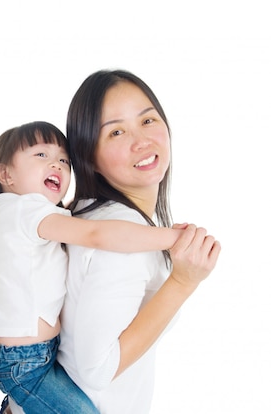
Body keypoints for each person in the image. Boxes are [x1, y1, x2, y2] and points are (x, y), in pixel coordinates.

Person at [0, 121, 189, 414]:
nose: (57, 164)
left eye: (64, 160)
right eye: (41, 155)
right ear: (6, 174)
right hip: (23, 364)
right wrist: (174, 238)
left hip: (33, 357)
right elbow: (97, 235)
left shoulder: (24, 214)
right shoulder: (25, 211)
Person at [55, 69, 221, 413]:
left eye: (147, 121)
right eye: (116, 131)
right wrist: (182, 281)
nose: (141, 140)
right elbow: (97, 369)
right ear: (89, 156)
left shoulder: (92, 216)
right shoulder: (121, 238)